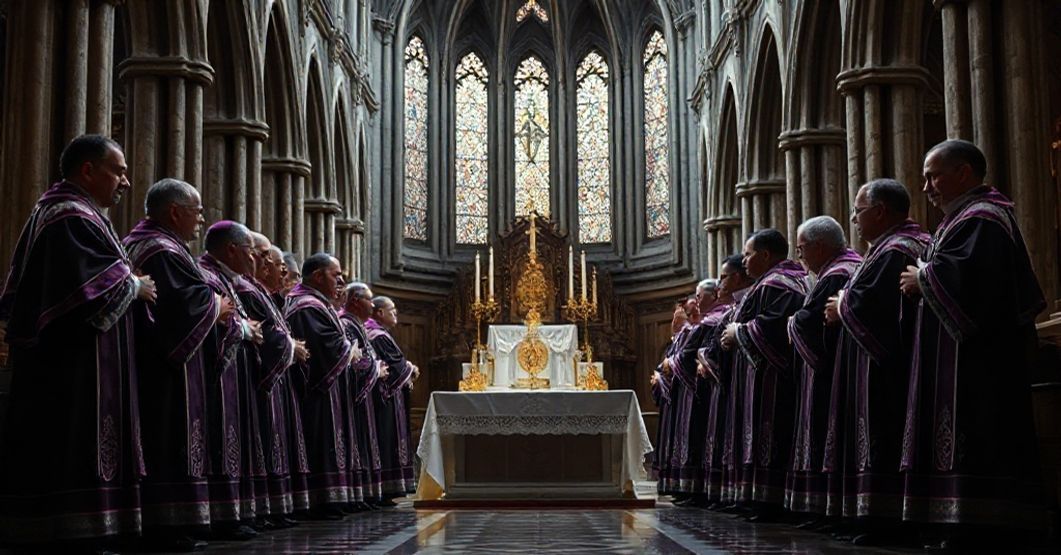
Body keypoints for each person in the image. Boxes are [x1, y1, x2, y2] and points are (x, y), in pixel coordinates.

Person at [0, 135, 154, 547]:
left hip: (83, 360)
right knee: (71, 442)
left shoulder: (79, 213)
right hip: (70, 364)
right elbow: (82, 285)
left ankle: (94, 527)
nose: (125, 182)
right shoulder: (69, 215)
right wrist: (133, 284)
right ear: (88, 170)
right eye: (118, 171)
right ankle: (75, 528)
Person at [898, 140, 1046, 548]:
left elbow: (974, 281)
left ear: (964, 173)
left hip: (982, 361)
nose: (926, 186)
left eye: (934, 175)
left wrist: (922, 278)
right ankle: (953, 522)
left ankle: (979, 525)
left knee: (981, 437)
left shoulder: (983, 217)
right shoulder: (959, 219)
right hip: (960, 358)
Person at [815, 179, 929, 544]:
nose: (853, 219)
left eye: (858, 211)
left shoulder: (898, 247)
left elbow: (877, 304)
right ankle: (862, 514)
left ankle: (882, 517)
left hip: (884, 369)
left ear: (880, 211)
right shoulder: (883, 248)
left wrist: (841, 305)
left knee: (882, 435)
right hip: (867, 366)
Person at [123, 178, 218, 551]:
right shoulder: (161, 248)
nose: (201, 220)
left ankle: (175, 521)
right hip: (166, 370)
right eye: (197, 212)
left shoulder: (152, 244)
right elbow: (181, 304)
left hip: (159, 364)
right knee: (168, 438)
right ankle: (170, 520)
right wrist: (216, 307)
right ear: (175, 211)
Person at [717, 229, 809, 520]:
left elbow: (776, 326)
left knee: (770, 432)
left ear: (766, 255)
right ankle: (754, 496)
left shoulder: (780, 283)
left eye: (748, 254)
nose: (743, 262)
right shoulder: (768, 283)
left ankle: (769, 500)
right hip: (757, 374)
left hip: (773, 379)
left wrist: (739, 332)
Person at [783, 216, 861, 523]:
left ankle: (826, 510)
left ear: (819, 246)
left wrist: (792, 322)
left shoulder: (837, 273)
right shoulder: (845, 268)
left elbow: (812, 320)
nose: (799, 256)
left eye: (801, 249)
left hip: (833, 373)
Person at [234, 232, 310, 529]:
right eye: (267, 258)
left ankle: (271, 507)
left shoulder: (258, 291)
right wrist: (291, 347)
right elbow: (266, 334)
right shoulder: (248, 289)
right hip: (257, 382)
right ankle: (261, 509)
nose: (274, 268)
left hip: (273, 382)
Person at [198, 221, 265, 539]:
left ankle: (234, 513)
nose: (256, 261)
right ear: (232, 250)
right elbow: (209, 319)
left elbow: (229, 318)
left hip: (233, 379)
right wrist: (245, 329)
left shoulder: (226, 279)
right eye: (253, 252)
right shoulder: (210, 276)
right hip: (216, 382)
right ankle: (223, 515)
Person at [285, 253, 356, 519]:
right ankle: (321, 498)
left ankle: (333, 497)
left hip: (329, 391)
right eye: (336, 275)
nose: (341, 280)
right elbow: (322, 346)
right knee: (319, 437)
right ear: (317, 276)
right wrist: (348, 348)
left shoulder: (318, 303)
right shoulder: (306, 305)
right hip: (315, 392)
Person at [698, 255, 753, 508]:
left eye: (723, 278)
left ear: (738, 277)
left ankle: (748, 495)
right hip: (736, 381)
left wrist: (736, 335)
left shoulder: (763, 291)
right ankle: (737, 493)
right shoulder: (735, 306)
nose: (720, 285)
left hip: (748, 380)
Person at [366, 296, 419, 503]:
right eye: (392, 310)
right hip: (385, 399)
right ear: (379, 313)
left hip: (384, 396)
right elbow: (395, 365)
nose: (395, 313)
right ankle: (387, 488)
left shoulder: (374, 333)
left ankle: (388, 488)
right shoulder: (378, 335)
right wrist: (410, 369)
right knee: (387, 438)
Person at [339, 282, 386, 508]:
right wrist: (376, 369)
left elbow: (363, 355)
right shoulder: (347, 323)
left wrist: (375, 366)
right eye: (369, 299)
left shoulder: (357, 324)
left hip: (363, 393)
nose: (373, 304)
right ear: (356, 301)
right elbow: (356, 360)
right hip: (354, 395)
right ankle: (360, 494)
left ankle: (365, 493)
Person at [653, 296, 699, 499]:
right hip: (676, 396)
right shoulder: (680, 337)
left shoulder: (693, 332)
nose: (676, 320)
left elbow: (680, 362)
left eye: (685, 314)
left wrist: (664, 371)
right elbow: (665, 363)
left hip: (688, 396)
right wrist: (659, 376)